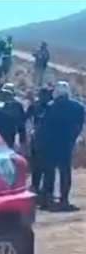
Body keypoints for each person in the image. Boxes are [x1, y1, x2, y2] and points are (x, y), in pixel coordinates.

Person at [39, 81, 85, 211]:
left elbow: (43, 127)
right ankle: (64, 200)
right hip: (66, 143)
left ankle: (47, 200)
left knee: (49, 172)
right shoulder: (78, 107)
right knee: (65, 172)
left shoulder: (50, 106)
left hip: (51, 144)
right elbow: (80, 125)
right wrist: (74, 138)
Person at [26, 86, 53, 195]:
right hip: (37, 138)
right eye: (41, 94)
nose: (43, 97)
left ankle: (47, 190)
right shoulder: (35, 106)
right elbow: (27, 117)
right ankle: (35, 187)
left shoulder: (52, 106)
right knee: (36, 166)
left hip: (49, 139)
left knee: (47, 167)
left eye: (45, 95)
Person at [0, 82, 27, 150]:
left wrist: (22, 140)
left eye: (8, 94)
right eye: (4, 94)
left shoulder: (17, 106)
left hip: (9, 134)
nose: (5, 96)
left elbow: (21, 124)